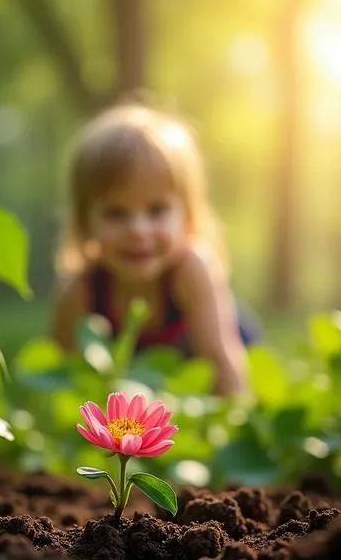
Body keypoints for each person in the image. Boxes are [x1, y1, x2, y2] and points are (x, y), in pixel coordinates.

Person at [50, 102, 259, 397]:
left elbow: (225, 371)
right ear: (85, 222)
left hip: (221, 353)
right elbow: (60, 383)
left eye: (157, 210)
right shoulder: (79, 291)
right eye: (115, 213)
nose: (138, 230)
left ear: (187, 215)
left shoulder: (193, 271)